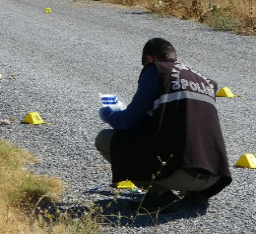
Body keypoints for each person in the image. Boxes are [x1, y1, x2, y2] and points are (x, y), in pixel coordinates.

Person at [95, 38, 232, 211]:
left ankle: (159, 194)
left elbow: (127, 122)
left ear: (150, 59)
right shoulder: (205, 80)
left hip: (181, 174)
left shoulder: (157, 70)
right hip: (213, 177)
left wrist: (107, 113)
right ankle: (194, 194)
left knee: (105, 139)